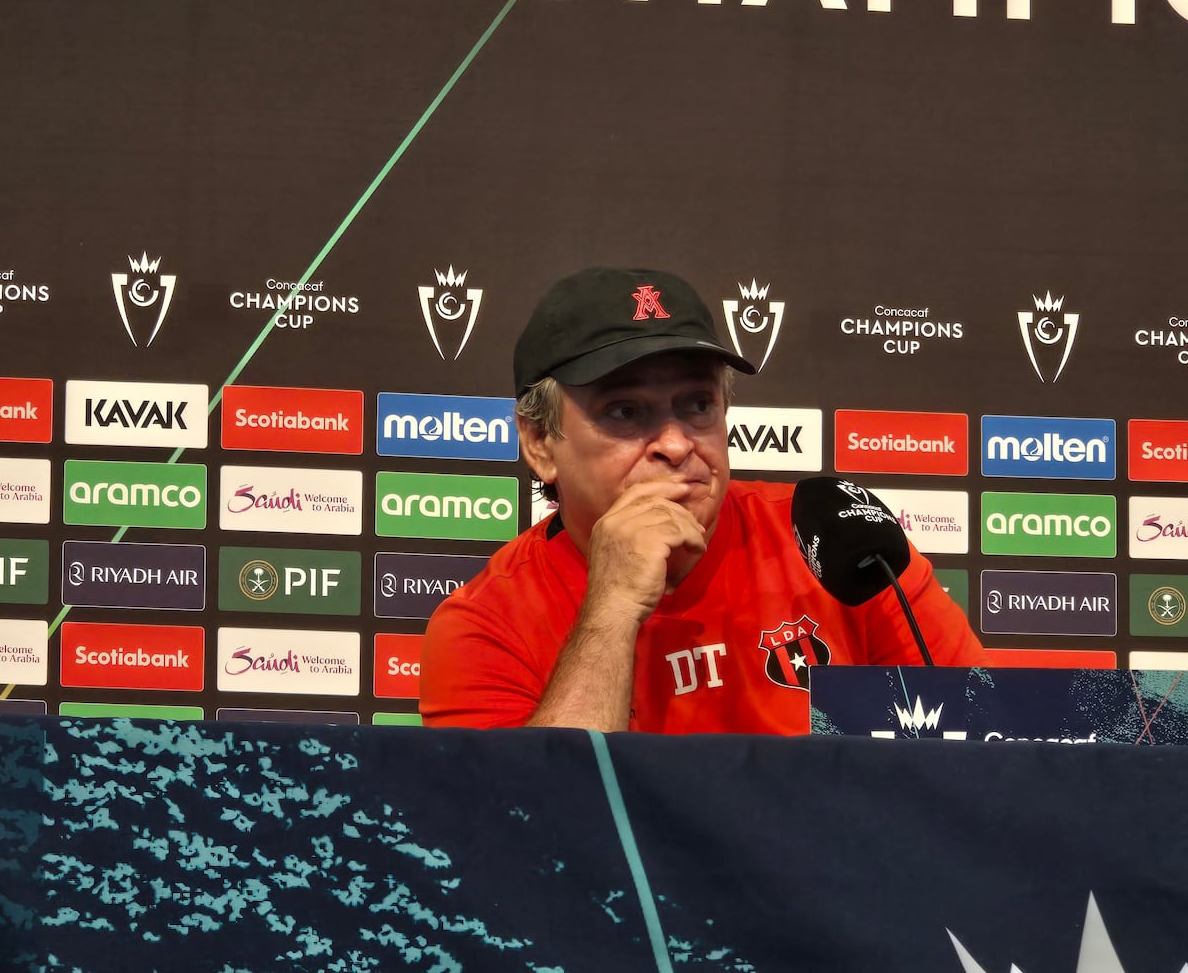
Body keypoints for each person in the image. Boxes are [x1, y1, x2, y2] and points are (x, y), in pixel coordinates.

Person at [418, 266, 985, 734]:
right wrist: (612, 608)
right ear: (541, 443)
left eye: (697, 405)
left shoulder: (832, 539)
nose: (675, 444)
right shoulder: (484, 628)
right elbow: (542, 821)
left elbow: (981, 743)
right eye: (625, 412)